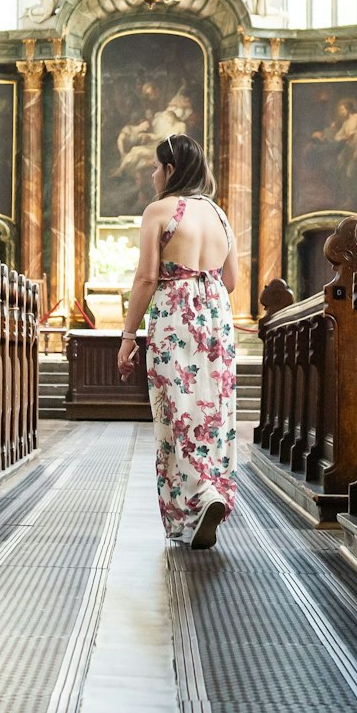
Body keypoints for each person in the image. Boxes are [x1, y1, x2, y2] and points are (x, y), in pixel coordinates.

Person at [117, 134, 240, 548]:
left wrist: (127, 335)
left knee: (178, 410)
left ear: (171, 169)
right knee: (214, 407)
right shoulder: (220, 215)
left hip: (175, 314)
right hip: (217, 315)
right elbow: (233, 280)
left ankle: (195, 500)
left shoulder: (159, 211)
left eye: (156, 167)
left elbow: (147, 278)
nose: (153, 174)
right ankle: (214, 490)